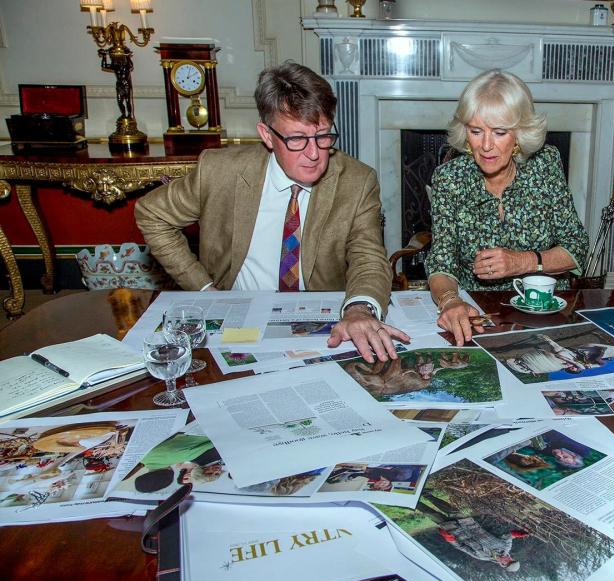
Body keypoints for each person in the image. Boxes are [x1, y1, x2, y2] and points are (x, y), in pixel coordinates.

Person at [135, 61, 408, 362]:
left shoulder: (356, 181)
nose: (315, 153)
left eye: (323, 136)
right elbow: (152, 214)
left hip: (321, 326)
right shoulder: (220, 171)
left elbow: (368, 256)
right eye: (296, 139)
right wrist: (203, 288)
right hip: (236, 321)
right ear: (267, 135)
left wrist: (359, 310)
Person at [425, 69, 589, 345]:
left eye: (499, 132)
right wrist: (450, 301)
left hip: (544, 313)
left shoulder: (545, 164)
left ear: (519, 134)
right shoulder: (449, 178)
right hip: (479, 313)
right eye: (476, 131)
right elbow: (441, 261)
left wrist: (520, 262)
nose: (486, 145)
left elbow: (577, 249)